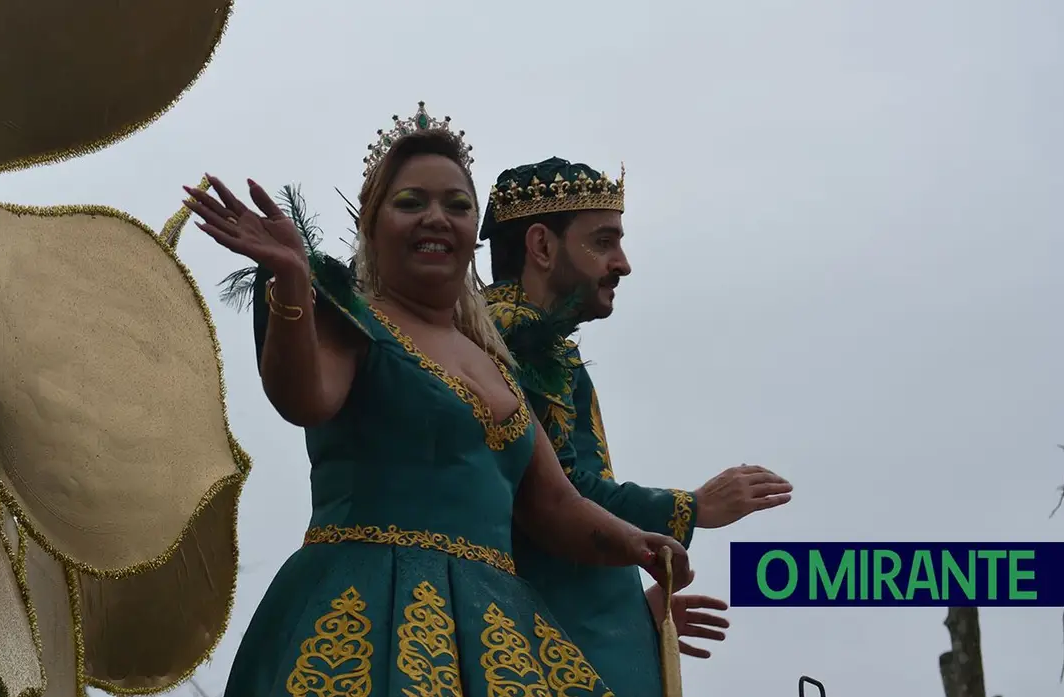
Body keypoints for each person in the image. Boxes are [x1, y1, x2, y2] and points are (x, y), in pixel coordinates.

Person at [182, 110, 693, 696]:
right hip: (364, 609)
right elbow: (303, 398)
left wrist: (637, 541)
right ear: (373, 226)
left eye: (455, 204)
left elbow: (553, 504)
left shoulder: (495, 360)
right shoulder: (355, 319)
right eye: (411, 202)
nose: (436, 218)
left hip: (494, 628)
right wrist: (293, 282)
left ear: (473, 229)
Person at [481, 156, 795, 693]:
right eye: (603, 242)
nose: (623, 263)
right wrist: (692, 508)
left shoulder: (534, 339)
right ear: (541, 246)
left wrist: (628, 607)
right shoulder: (511, 336)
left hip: (568, 620)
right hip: (537, 638)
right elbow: (558, 495)